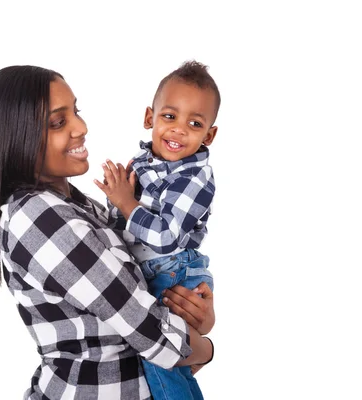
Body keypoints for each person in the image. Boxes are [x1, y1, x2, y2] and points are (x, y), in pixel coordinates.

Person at [0, 65, 215, 400]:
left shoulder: (80, 208)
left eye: (76, 112)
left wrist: (194, 313)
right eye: (58, 122)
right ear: (18, 136)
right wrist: (204, 346)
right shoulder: (38, 217)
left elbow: (145, 323)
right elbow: (146, 328)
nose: (81, 127)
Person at [95, 60, 220, 400]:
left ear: (209, 134)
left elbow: (165, 237)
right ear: (150, 117)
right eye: (169, 117)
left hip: (170, 271)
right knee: (160, 359)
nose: (179, 129)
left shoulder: (195, 177)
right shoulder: (142, 162)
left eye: (194, 123)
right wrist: (115, 197)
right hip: (148, 269)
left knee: (159, 358)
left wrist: (125, 202)